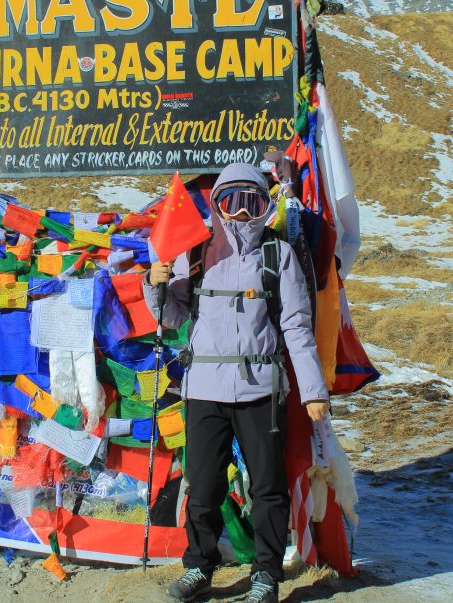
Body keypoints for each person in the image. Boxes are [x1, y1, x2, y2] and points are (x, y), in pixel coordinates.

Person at [143, 162, 329, 603]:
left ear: (265, 206)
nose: (243, 213)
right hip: (204, 389)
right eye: (233, 202)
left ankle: (265, 573)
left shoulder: (278, 254)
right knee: (203, 485)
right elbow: (171, 318)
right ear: (217, 204)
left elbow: (298, 327)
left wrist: (314, 391)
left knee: (267, 486)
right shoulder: (197, 251)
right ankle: (199, 567)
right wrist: (156, 286)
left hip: (260, 390)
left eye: (253, 202)